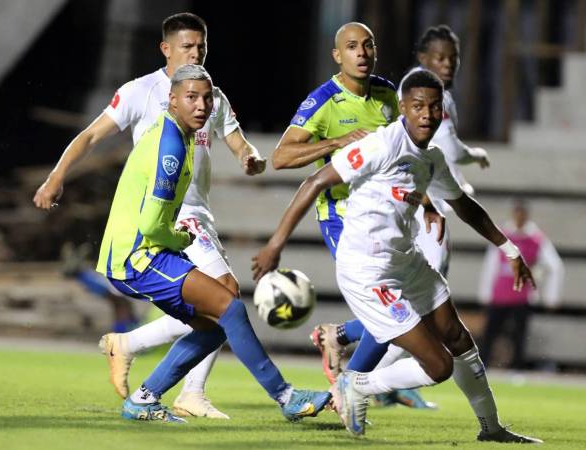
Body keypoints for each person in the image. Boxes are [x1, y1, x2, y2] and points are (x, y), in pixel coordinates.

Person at [253, 69, 542, 443]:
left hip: (406, 260)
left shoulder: (432, 158)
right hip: (367, 271)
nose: (426, 114)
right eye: (418, 106)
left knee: (459, 338)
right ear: (402, 107)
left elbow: (466, 207)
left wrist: (509, 249)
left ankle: (492, 428)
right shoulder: (381, 144)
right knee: (437, 366)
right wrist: (276, 244)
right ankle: (355, 384)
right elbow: (316, 181)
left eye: (434, 107)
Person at [33, 13, 266, 419]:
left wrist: (250, 157)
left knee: (221, 303)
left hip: (199, 212)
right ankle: (188, 388)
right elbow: (90, 134)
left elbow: (236, 141)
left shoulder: (213, 95)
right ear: (166, 48)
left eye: (202, 46)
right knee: (225, 298)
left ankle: (134, 349)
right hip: (170, 213)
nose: (197, 52)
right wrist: (56, 176)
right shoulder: (141, 91)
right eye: (188, 46)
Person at [96, 64, 330, 423]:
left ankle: (144, 398)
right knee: (230, 307)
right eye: (191, 97)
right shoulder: (172, 147)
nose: (201, 105)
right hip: (137, 257)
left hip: (140, 251)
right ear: (172, 101)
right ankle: (286, 396)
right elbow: (151, 226)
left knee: (215, 323)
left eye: (206, 98)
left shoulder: (178, 134)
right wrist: (181, 239)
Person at [309, 26, 492, 406]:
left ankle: (373, 373)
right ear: (423, 59)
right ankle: (361, 380)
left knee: (418, 310)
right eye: (439, 58)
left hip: (424, 209)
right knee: (409, 310)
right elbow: (400, 156)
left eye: (452, 59)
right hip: (385, 216)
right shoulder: (408, 98)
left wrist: (466, 163)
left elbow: (437, 153)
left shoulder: (441, 102)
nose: (447, 64)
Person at [272, 21, 433, 409]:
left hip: (386, 219)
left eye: (367, 46)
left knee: (409, 311)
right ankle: (348, 391)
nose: (361, 53)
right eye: (351, 47)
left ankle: (341, 344)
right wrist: (336, 142)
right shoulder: (324, 101)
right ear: (337, 55)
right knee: (389, 317)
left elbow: (405, 151)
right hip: (342, 219)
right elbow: (281, 157)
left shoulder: (387, 95)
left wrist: (425, 201)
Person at [478, 200, 564, 369]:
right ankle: (481, 367)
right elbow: (491, 265)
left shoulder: (536, 238)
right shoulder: (502, 235)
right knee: (490, 333)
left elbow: (554, 266)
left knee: (519, 336)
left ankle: (517, 369)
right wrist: (485, 292)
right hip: (500, 295)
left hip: (522, 297)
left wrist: (550, 297)